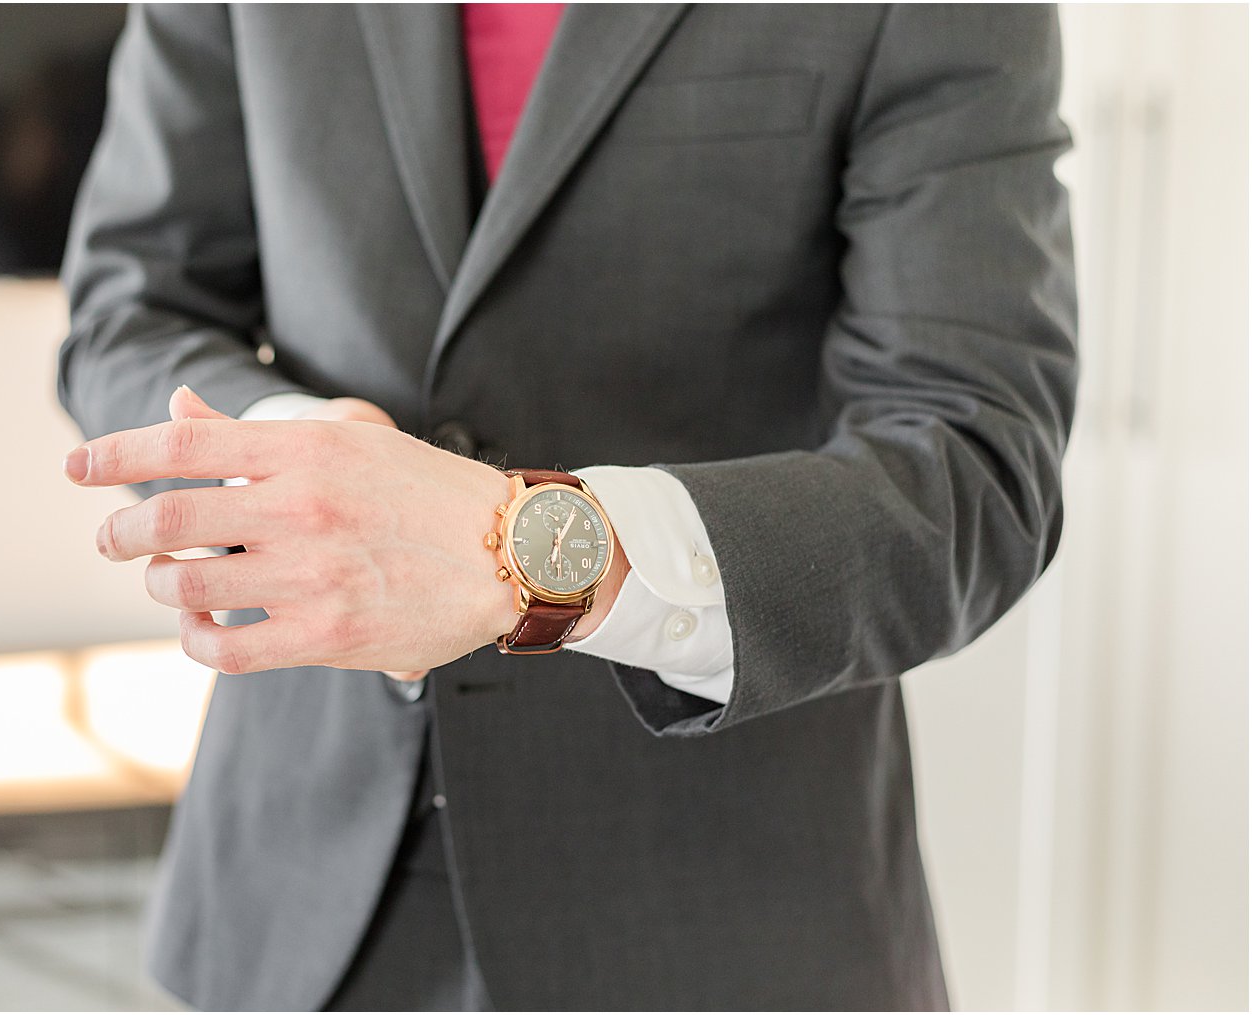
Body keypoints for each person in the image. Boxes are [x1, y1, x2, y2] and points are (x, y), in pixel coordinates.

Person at [56, 4, 1077, 1010]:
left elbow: (972, 469)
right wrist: (302, 462)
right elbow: (129, 309)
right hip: (297, 898)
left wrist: (532, 551)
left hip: (722, 912)